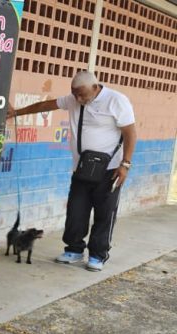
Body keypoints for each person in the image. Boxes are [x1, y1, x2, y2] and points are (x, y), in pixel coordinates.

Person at [7, 71, 136, 271]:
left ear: (95, 88)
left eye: (82, 94)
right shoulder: (74, 100)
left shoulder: (116, 101)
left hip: (110, 171)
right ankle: (74, 250)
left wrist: (125, 164)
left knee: (104, 215)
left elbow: (130, 133)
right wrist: (17, 113)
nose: (78, 98)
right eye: (74, 94)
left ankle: (98, 255)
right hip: (81, 170)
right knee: (76, 211)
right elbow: (45, 105)